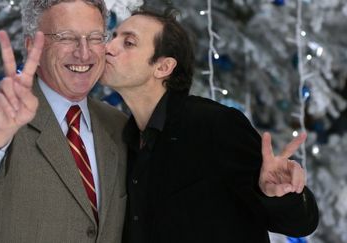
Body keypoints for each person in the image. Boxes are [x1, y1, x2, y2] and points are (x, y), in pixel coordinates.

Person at [100, 8, 319, 243]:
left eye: (129, 42)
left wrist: (282, 196)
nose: (108, 48)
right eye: (112, 37)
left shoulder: (215, 125)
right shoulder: (124, 139)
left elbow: (302, 223)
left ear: (163, 67)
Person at [0, 0, 128, 242]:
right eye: (66, 37)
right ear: (32, 45)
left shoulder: (118, 125)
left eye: (95, 37)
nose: (84, 52)